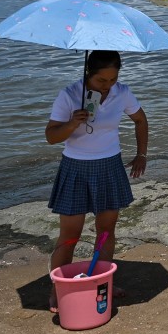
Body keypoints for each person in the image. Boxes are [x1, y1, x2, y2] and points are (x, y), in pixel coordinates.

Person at [45, 50, 148, 313]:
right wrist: (72, 123)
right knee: (70, 235)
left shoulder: (122, 93)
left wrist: (141, 155)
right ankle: (58, 289)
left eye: (113, 79)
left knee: (105, 233)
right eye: (102, 81)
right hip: (75, 167)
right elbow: (51, 136)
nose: (108, 86)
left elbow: (140, 119)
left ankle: (105, 282)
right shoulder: (69, 94)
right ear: (88, 74)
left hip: (109, 165)